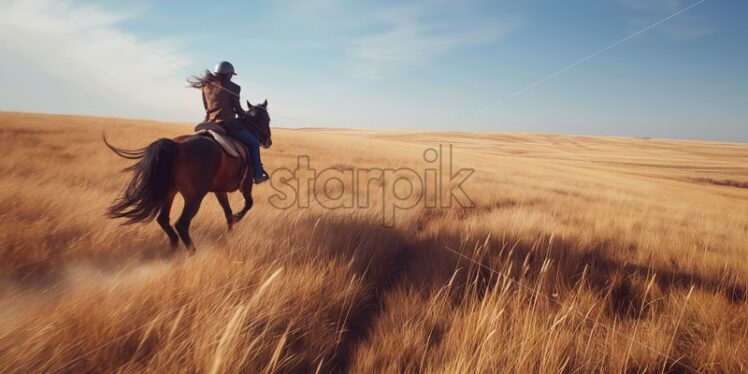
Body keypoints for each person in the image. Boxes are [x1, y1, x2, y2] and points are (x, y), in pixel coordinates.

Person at [188, 61, 268, 184]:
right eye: (231, 74)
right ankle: (258, 174)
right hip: (227, 124)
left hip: (208, 123)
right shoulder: (234, 87)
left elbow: (206, 107)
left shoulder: (206, 86)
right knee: (254, 143)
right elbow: (238, 109)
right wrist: (245, 117)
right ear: (229, 74)